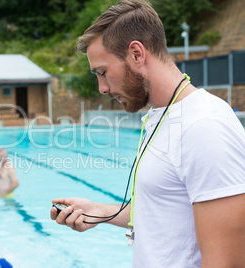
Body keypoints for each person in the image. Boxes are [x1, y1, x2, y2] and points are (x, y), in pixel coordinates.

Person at [50, 1, 245, 267]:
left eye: (103, 72)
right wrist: (101, 212)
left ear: (137, 54)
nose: (102, 88)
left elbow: (226, 261)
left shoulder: (204, 126)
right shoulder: (163, 117)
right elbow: (166, 209)